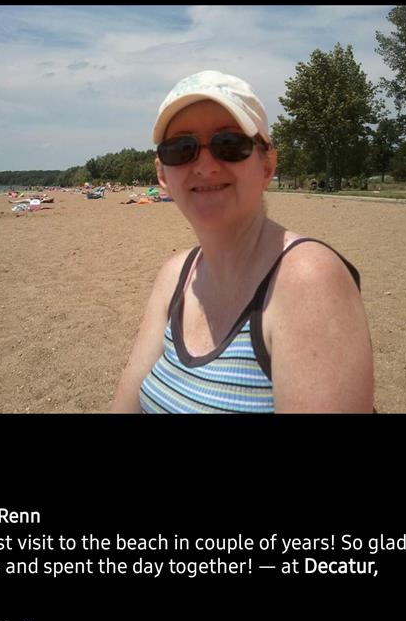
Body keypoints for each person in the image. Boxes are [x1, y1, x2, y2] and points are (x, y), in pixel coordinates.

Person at [110, 71, 374, 414]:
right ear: (162, 174)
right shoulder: (174, 276)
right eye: (181, 148)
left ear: (266, 166)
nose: (204, 165)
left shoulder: (307, 280)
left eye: (230, 145)